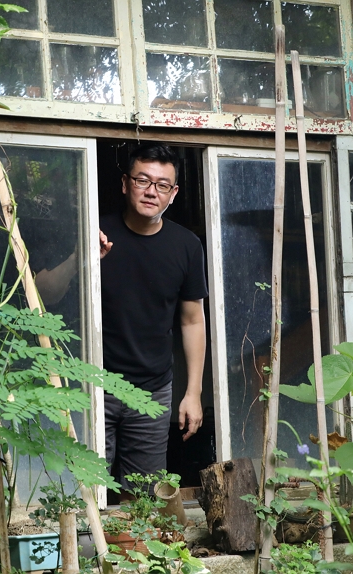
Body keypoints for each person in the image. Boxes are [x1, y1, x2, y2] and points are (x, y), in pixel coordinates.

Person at [99, 143, 207, 492]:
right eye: (142, 180)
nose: (151, 191)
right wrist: (83, 258)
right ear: (125, 184)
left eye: (162, 185)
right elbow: (47, 291)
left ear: (173, 194)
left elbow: (192, 320)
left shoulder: (186, 246)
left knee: (144, 498)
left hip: (152, 391)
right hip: (93, 384)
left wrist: (193, 393)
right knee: (84, 491)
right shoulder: (95, 232)